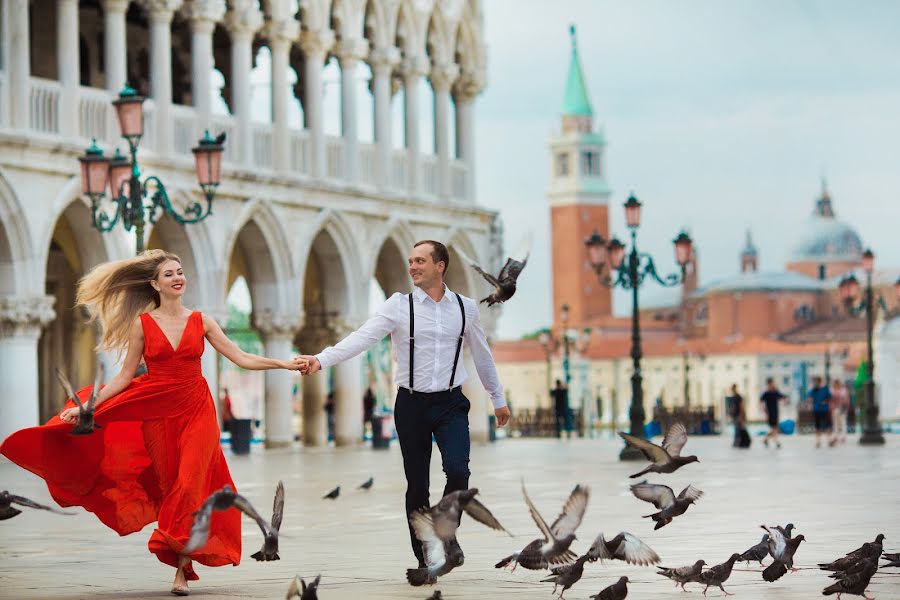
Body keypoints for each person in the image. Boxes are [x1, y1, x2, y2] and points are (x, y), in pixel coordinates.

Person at [0, 250, 305, 596]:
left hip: (197, 411)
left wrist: (284, 365)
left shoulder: (202, 321)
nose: (178, 278)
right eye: (169, 274)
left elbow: (242, 357)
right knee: (170, 487)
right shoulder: (141, 325)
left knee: (189, 484)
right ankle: (184, 563)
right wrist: (87, 407)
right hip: (157, 415)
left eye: (180, 272)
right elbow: (121, 380)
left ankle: (178, 571)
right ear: (154, 284)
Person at [298, 240, 510, 570]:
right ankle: (424, 553)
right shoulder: (399, 306)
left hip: (451, 402)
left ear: (440, 266)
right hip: (411, 404)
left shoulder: (465, 307)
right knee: (418, 484)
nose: (412, 266)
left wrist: (498, 398)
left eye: (420, 261)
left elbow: (482, 354)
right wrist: (321, 360)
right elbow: (362, 337)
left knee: (458, 471)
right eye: (410, 261)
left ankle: (446, 528)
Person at [759, 378, 787, 449]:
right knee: (774, 428)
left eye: (773, 383)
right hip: (769, 413)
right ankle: (776, 442)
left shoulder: (776, 392)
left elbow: (783, 397)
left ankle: (766, 439)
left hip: (776, 412)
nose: (772, 385)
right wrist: (764, 411)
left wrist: (784, 401)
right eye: (771, 383)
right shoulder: (766, 393)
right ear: (768, 384)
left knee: (775, 428)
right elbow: (761, 402)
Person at [806, 375, 832, 448]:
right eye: (814, 382)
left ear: (820, 382)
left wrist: (826, 401)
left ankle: (829, 440)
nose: (815, 383)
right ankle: (818, 442)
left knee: (828, 426)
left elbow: (830, 398)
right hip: (816, 410)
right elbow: (809, 398)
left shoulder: (825, 389)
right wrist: (810, 404)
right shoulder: (813, 390)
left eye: (816, 382)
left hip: (824, 410)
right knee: (817, 427)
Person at [725, 384, 749, 448]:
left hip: (738, 415)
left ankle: (739, 442)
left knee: (739, 429)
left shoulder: (738, 397)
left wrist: (741, 416)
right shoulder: (733, 397)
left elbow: (741, 407)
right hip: (734, 415)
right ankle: (738, 442)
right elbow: (732, 407)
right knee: (737, 429)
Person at [829, 379, 849, 446]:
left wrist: (845, 405)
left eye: (837, 384)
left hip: (842, 409)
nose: (836, 385)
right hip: (834, 409)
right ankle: (836, 436)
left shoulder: (843, 390)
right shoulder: (831, 390)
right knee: (835, 423)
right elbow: (830, 400)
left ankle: (843, 436)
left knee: (843, 422)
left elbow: (846, 399)